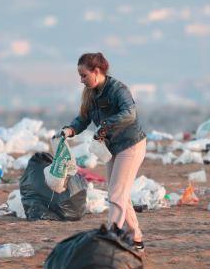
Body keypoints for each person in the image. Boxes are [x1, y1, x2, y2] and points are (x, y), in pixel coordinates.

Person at [60, 53, 147, 250]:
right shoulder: (91, 94)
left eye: (84, 75)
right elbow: (83, 118)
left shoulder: (118, 89)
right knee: (119, 193)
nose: (81, 80)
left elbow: (129, 113)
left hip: (130, 145)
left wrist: (106, 125)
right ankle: (136, 238)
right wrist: (70, 130)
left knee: (116, 193)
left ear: (96, 71)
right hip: (111, 147)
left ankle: (111, 238)